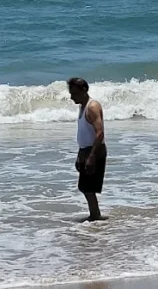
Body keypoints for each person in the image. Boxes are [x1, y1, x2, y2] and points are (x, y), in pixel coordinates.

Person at [68, 77, 107, 222]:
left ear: (83, 90)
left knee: (88, 188)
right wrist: (80, 154)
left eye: (74, 93)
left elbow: (99, 132)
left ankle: (95, 216)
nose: (71, 97)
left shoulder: (92, 106)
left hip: (94, 150)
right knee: (85, 187)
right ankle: (95, 215)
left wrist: (91, 156)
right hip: (85, 150)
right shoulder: (82, 106)